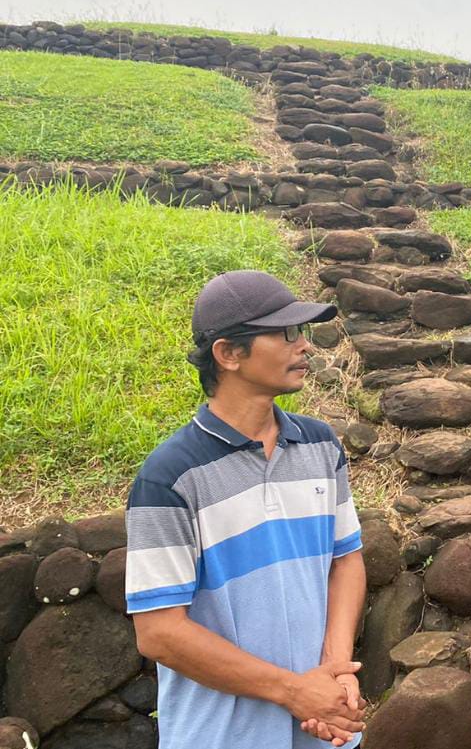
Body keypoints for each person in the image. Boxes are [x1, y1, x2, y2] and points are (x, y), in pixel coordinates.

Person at [125, 270, 367, 748]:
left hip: (324, 728)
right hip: (222, 736)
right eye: (284, 334)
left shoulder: (320, 445)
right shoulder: (171, 477)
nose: (304, 346)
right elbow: (159, 633)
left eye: (300, 332)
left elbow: (346, 559)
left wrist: (336, 669)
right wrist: (295, 691)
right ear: (228, 354)